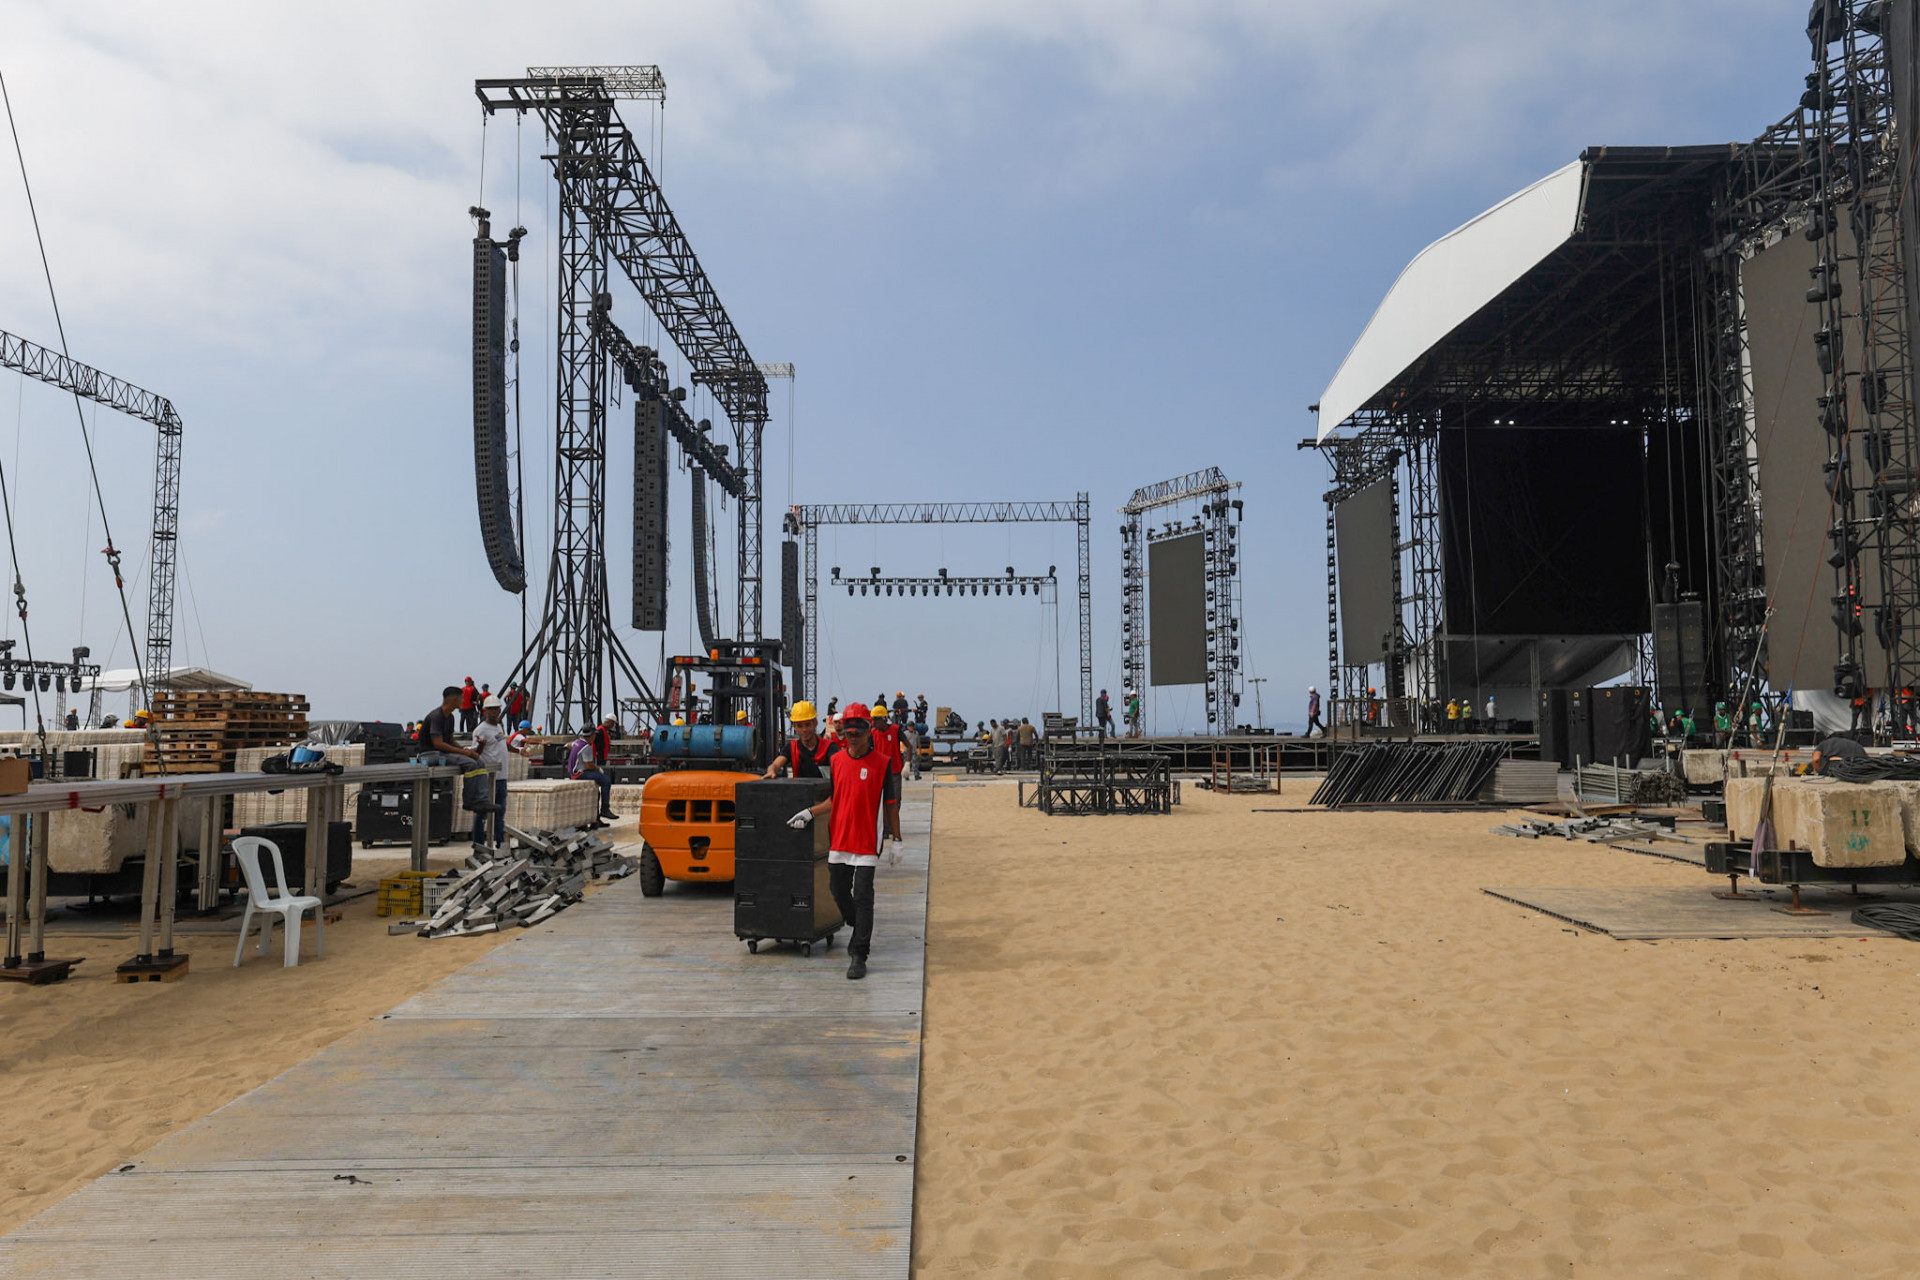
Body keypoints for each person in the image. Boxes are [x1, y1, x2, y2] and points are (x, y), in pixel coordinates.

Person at [786, 703, 902, 981]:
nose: (854, 738)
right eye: (849, 734)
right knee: (837, 890)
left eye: (858, 733)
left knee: (863, 895)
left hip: (866, 841)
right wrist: (809, 813)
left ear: (868, 732)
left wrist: (897, 839)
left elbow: (891, 804)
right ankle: (856, 922)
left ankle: (859, 954)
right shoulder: (836, 762)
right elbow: (835, 799)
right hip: (839, 837)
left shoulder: (882, 764)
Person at [469, 695, 520, 846]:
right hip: (487, 780)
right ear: (485, 711)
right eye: (491, 709)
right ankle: (478, 845)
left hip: (502, 777)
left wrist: (520, 751)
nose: (494, 711)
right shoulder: (480, 730)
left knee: (500, 813)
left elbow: (504, 744)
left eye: (496, 708)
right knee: (482, 814)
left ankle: (500, 843)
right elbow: (475, 754)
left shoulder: (499, 727)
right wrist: (481, 745)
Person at [765, 701, 840, 778]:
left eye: (808, 725)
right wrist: (772, 771)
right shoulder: (792, 748)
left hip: (824, 790)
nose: (804, 729)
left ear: (815, 723)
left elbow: (838, 765)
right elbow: (776, 764)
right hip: (800, 789)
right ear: (794, 726)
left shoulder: (829, 747)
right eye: (800, 726)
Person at [567, 725, 617, 824]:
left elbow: (568, 745)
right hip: (580, 773)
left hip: (573, 772)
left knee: (596, 793)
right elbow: (589, 765)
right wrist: (598, 769)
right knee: (606, 780)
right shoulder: (587, 747)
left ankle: (596, 819)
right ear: (591, 735)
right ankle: (605, 809)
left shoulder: (577, 742)